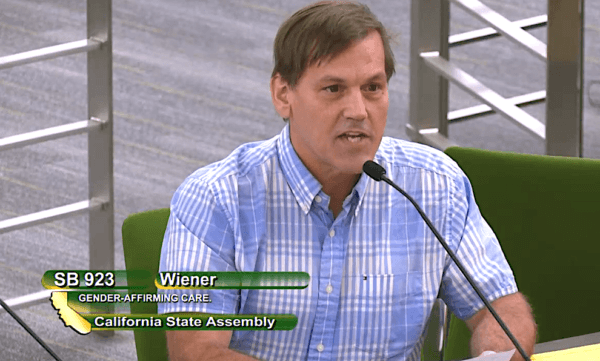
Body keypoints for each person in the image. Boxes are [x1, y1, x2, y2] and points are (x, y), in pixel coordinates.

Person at [157, 1, 537, 360]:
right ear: (283, 94)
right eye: (333, 89)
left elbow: (501, 310)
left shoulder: (434, 184)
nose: (358, 111)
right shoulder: (215, 197)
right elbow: (198, 351)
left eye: (372, 88)